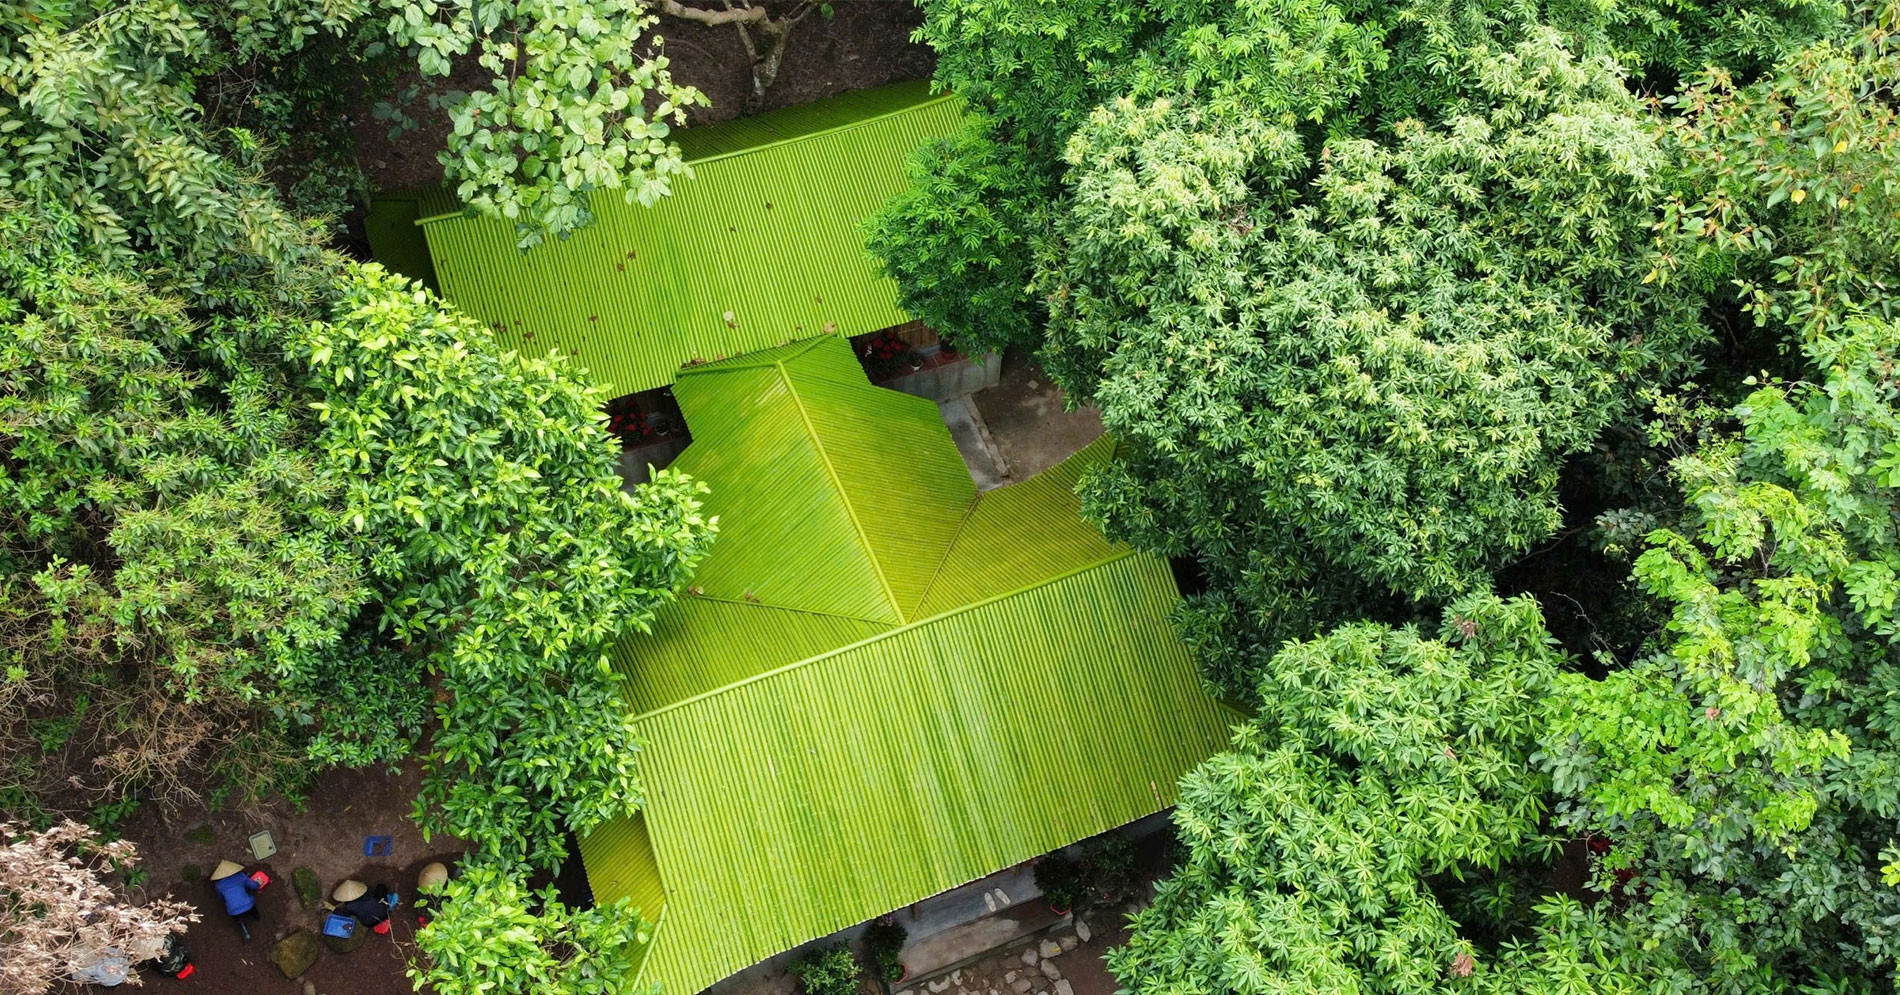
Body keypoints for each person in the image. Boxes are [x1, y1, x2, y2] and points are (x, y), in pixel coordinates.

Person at [210, 860, 266, 940]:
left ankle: (245, 931)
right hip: (248, 905)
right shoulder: (241, 876)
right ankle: (256, 917)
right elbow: (254, 886)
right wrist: (258, 883)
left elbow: (220, 897)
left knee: (238, 919)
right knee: (252, 907)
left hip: (233, 910)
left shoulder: (218, 885)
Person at [332, 879, 399, 935]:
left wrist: (333, 909)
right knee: (380, 887)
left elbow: (344, 914)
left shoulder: (349, 906)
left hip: (369, 923)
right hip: (385, 914)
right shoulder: (368, 894)